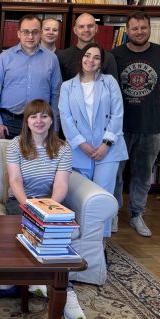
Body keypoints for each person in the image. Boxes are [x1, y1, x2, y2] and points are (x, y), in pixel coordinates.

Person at [5, 99, 85, 319]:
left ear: (51, 120)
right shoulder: (15, 145)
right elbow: (15, 180)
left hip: (51, 202)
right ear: (26, 121)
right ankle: (35, 279)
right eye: (33, 116)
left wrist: (45, 209)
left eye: (44, 116)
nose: (39, 121)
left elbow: (61, 185)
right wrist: (29, 207)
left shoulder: (63, 148)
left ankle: (66, 292)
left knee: (55, 238)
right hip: (20, 201)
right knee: (26, 229)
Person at [111, 11, 160, 237]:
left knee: (144, 173)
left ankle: (137, 214)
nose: (139, 32)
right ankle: (113, 213)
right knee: (115, 173)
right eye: (135, 28)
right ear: (127, 31)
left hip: (150, 126)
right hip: (120, 127)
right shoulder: (115, 55)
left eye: (143, 27)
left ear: (150, 28)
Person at [58, 42, 128, 237]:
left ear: (101, 63)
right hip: (80, 149)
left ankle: (100, 242)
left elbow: (117, 114)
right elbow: (65, 118)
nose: (91, 60)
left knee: (102, 196)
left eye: (96, 57)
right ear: (81, 58)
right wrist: (81, 144)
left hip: (108, 150)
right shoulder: (67, 86)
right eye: (88, 55)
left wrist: (106, 144)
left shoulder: (109, 82)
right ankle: (81, 240)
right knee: (81, 198)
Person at [0, 14, 61, 139]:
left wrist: (55, 127)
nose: (30, 36)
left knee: (39, 153)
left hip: (40, 123)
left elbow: (56, 94)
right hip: (8, 123)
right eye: (26, 32)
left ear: (40, 33)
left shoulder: (52, 59)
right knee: (8, 153)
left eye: (34, 32)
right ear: (18, 33)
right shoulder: (5, 57)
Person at [57, 12, 118, 81]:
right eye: (81, 26)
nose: (86, 30)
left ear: (96, 28)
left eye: (90, 26)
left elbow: (112, 86)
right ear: (75, 30)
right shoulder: (63, 57)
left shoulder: (108, 57)